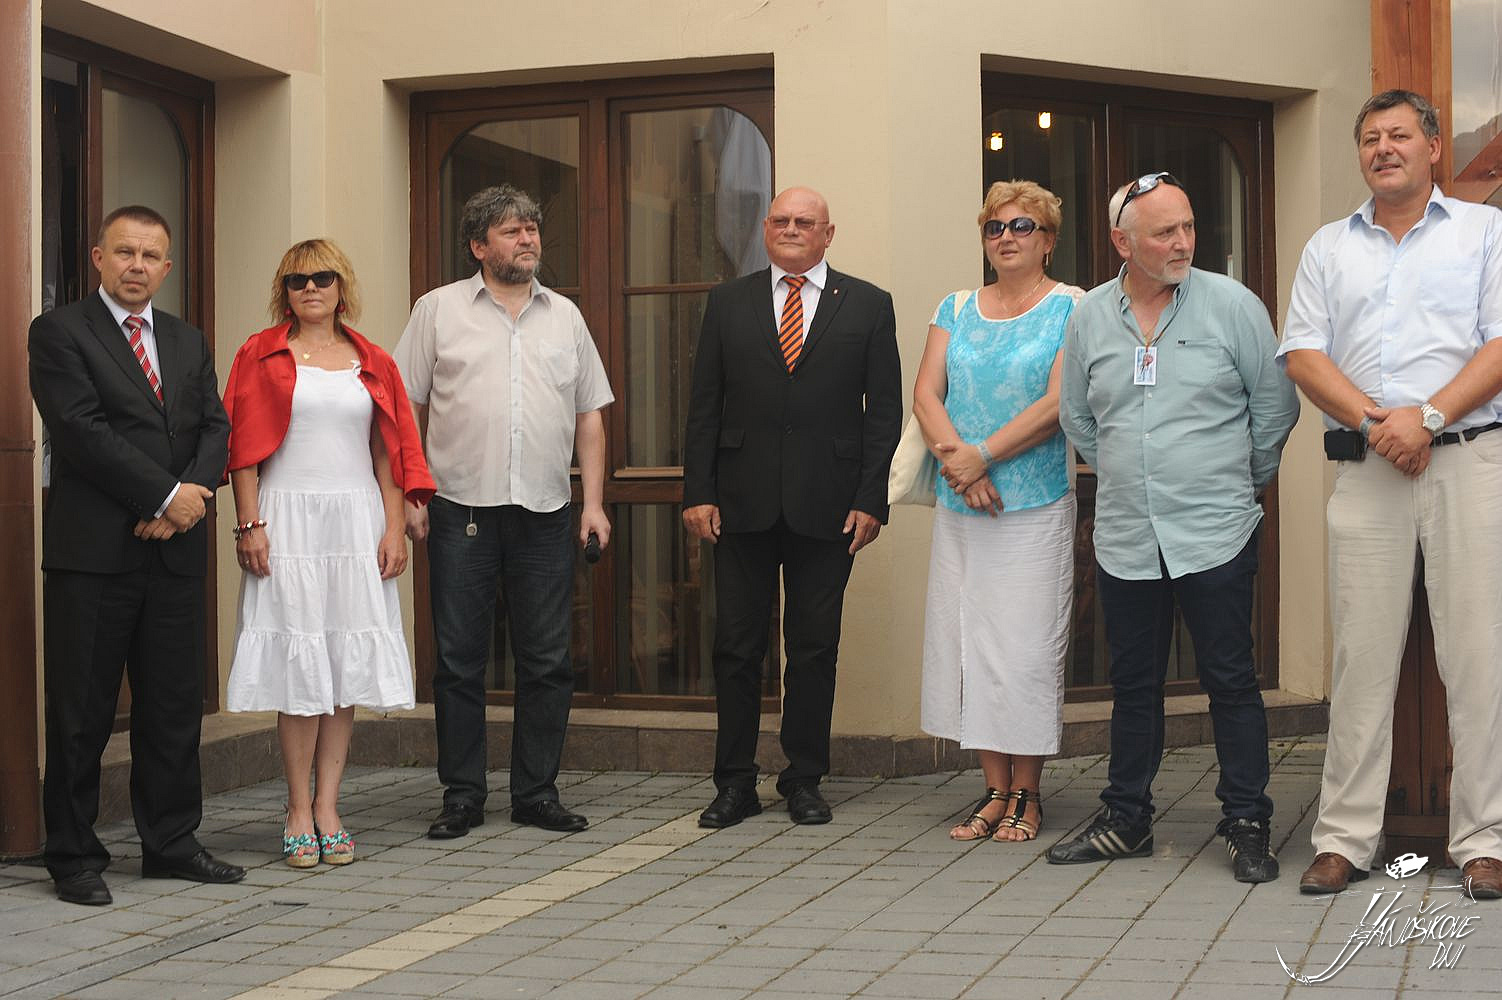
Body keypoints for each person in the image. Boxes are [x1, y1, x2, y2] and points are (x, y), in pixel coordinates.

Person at [1279, 90, 1502, 898]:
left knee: (1478, 657)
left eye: (1400, 134)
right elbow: (1303, 353)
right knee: (1361, 657)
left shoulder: (1485, 232)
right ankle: (1344, 839)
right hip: (1370, 467)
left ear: (1434, 147)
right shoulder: (1328, 246)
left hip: (1469, 462)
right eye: (1371, 137)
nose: (1384, 148)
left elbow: (1500, 343)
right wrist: (1381, 423)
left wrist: (1428, 417)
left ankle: (1483, 841)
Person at [1050, 173, 1299, 882]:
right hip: (1127, 533)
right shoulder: (1090, 317)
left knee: (1231, 680)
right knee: (1133, 685)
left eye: (1188, 226)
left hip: (1216, 529)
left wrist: (1235, 480)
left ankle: (1246, 820)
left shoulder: (1233, 306)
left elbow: (1274, 408)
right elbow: (1077, 416)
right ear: (1122, 243)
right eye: (1165, 232)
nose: (1184, 242)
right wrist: (1128, 472)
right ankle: (1125, 817)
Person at [28, 205, 240, 905]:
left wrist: (189, 499)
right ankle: (73, 856)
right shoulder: (60, 332)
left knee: (172, 709)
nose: (137, 266)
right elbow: (81, 431)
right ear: (98, 257)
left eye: (150, 256)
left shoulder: (186, 339)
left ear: (167, 267)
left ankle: (171, 844)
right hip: (94, 559)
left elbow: (214, 427)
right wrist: (163, 496)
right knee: (82, 713)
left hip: (173, 557)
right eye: (124, 252)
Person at [395, 185, 613, 839]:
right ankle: (462, 796)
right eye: (513, 231)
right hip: (459, 509)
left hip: (544, 511)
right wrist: (411, 494)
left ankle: (536, 794)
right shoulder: (437, 310)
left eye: (532, 229)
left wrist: (593, 503)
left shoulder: (565, 316)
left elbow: (590, 415)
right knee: (459, 662)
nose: (527, 240)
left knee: (546, 661)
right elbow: (406, 408)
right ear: (478, 245)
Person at [683, 186, 902, 829]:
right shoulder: (728, 302)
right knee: (736, 647)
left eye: (805, 222)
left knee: (812, 648)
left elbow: (883, 413)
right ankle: (734, 783)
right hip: (739, 504)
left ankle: (804, 779)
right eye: (780, 220)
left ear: (828, 234)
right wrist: (698, 491)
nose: (791, 228)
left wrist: (871, 499)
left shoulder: (869, 305)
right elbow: (703, 405)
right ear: (764, 228)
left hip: (829, 507)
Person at [222, 239, 434, 868]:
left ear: (342, 287)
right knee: (301, 669)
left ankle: (329, 807)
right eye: (297, 280)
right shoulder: (259, 353)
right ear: (284, 292)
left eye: (322, 277)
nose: (310, 287)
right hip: (286, 519)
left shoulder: (373, 359)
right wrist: (249, 524)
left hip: (355, 521)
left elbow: (387, 452)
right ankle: (295, 808)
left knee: (341, 665)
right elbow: (242, 450)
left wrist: (393, 527)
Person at [914, 180, 1084, 843]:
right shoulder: (955, 306)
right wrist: (961, 465)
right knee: (971, 645)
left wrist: (981, 456)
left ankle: (1028, 792)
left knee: (1025, 651)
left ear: (1048, 240)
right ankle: (993, 788)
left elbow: (1060, 402)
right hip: (964, 504)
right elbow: (926, 394)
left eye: (1022, 226)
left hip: (1034, 506)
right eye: (995, 227)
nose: (1006, 237)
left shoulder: (1073, 306)